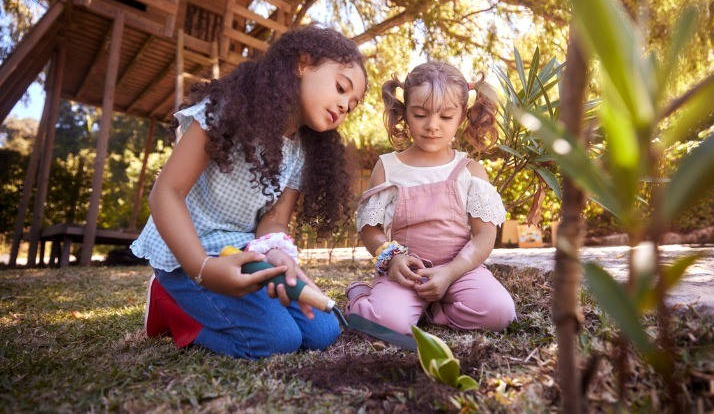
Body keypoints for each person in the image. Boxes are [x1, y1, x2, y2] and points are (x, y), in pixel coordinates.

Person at [131, 26, 367, 359]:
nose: (344, 105)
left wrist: (279, 257)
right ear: (302, 63)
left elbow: (273, 223)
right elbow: (165, 194)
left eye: (351, 106)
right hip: (186, 254)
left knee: (322, 331)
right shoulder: (225, 109)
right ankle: (169, 305)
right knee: (276, 341)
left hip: (240, 252)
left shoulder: (301, 152)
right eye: (341, 88)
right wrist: (203, 269)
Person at [346, 61, 516, 335]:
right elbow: (370, 229)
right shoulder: (389, 167)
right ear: (405, 113)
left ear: (462, 118)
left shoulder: (469, 170)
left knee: (499, 313)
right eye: (420, 114)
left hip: (460, 271)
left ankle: (436, 309)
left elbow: (484, 237)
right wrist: (392, 259)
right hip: (405, 274)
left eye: (446, 117)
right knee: (385, 323)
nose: (432, 126)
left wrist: (450, 273)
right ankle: (361, 296)